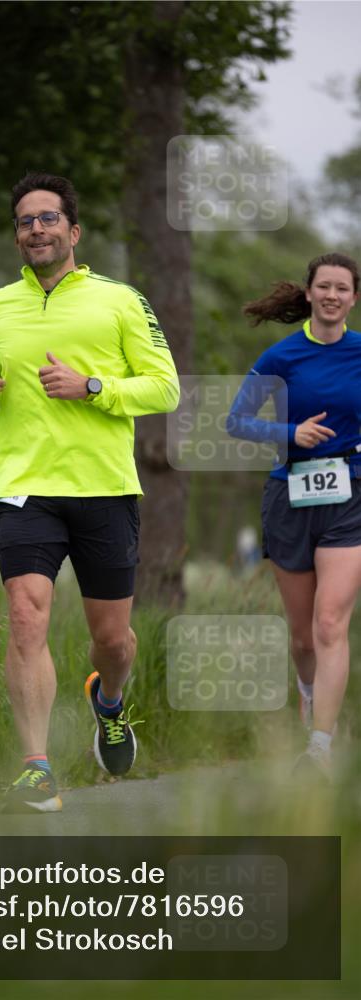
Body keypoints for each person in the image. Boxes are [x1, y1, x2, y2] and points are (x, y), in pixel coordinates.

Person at [0, 172, 179, 812]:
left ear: (74, 230)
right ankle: (36, 765)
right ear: (17, 235)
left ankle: (108, 702)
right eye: (26, 221)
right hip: (27, 486)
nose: (37, 229)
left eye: (48, 218)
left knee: (112, 640)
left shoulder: (121, 300)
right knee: (26, 614)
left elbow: (164, 388)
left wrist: (93, 387)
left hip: (104, 490)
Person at [227, 252, 361, 781]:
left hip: (351, 493)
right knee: (304, 637)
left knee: (331, 623)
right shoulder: (281, 357)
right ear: (308, 293)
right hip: (289, 496)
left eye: (342, 288)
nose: (332, 295)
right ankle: (308, 692)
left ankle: (320, 749)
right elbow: (236, 422)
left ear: (353, 297)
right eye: (323, 286)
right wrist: (290, 435)